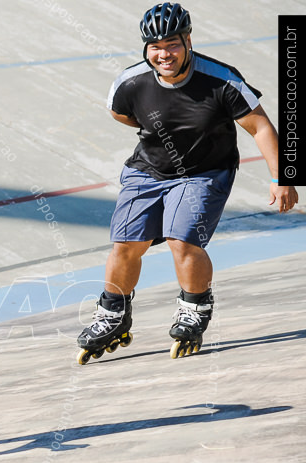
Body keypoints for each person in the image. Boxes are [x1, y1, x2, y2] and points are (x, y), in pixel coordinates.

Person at [77, 2, 298, 364]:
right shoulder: (131, 82)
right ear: (146, 48)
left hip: (204, 172)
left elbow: (260, 126)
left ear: (188, 40)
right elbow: (121, 113)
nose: (164, 54)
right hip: (147, 170)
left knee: (183, 240)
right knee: (125, 245)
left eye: (172, 44)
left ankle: (195, 307)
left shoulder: (222, 80)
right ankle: (113, 314)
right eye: (155, 47)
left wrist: (283, 177)